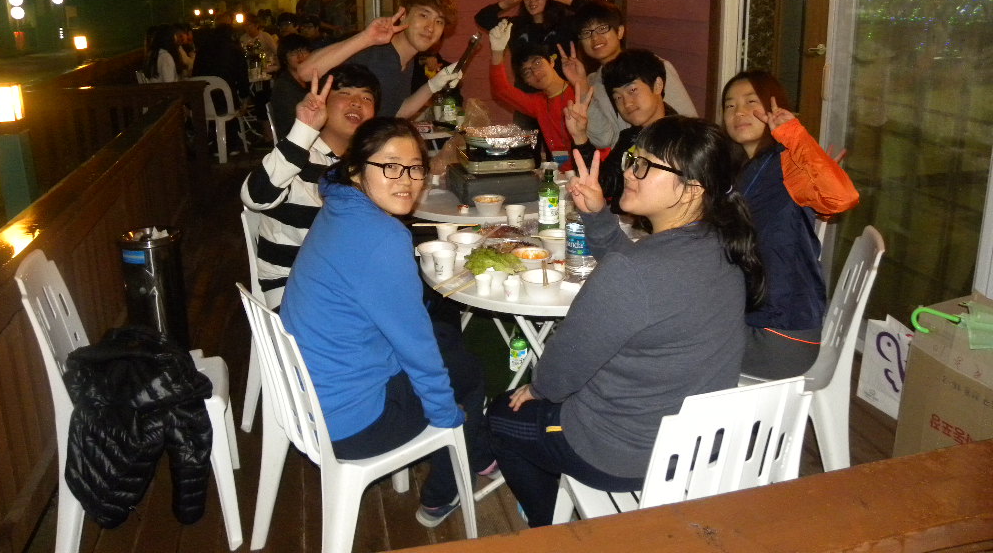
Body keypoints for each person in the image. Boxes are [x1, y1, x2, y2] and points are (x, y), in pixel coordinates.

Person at [487, 116, 764, 528]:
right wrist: (598, 216)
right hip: (698, 443)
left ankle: (549, 530)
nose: (629, 171)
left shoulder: (635, 271)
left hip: (625, 455)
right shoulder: (722, 243)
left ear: (692, 188)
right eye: (634, 159)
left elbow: (566, 364)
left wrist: (538, 388)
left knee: (501, 417)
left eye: (646, 165)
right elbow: (642, 278)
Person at [281, 118, 479, 528]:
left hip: (312, 399)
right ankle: (443, 493)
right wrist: (447, 416)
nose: (406, 179)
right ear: (357, 169)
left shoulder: (338, 208)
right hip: (356, 423)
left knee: (445, 336)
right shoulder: (382, 237)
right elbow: (416, 350)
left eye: (415, 167)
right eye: (390, 166)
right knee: (468, 373)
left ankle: (479, 449)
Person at [721, 70, 859, 379]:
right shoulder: (744, 168)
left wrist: (795, 136)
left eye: (751, 102)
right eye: (729, 105)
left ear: (774, 108)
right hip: (754, 320)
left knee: (666, 340)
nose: (738, 112)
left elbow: (842, 198)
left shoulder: (786, 161)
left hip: (778, 336)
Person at [242, 64, 379, 305]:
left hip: (344, 282)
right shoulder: (297, 156)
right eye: (345, 93)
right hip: (296, 291)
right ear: (322, 103)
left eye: (366, 97)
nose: (357, 103)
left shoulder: (362, 164)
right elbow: (255, 197)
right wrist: (303, 128)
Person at [296, 0, 463, 118]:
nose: (430, 27)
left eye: (439, 21)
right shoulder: (372, 49)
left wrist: (434, 84)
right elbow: (305, 72)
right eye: (424, 15)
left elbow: (396, 112)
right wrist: (366, 38)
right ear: (403, 14)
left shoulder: (407, 62)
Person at [560, 0, 698, 149]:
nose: (595, 38)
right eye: (586, 33)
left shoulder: (651, 67)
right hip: (627, 159)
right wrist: (581, 84)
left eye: (602, 28)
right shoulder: (593, 82)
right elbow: (604, 140)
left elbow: (689, 122)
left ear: (620, 31)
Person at [564, 49, 675, 214]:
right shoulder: (631, 137)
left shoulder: (680, 139)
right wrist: (579, 136)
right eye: (617, 97)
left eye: (632, 90)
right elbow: (605, 185)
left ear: (657, 85)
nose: (626, 103)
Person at [474, 0, 580, 109]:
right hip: (526, 99)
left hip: (562, 98)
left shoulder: (565, 25)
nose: (532, 0)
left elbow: (595, 13)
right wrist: (508, 2)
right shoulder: (515, 26)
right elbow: (482, 18)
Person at [487, 19, 574, 163]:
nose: (535, 72)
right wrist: (497, 52)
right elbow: (501, 90)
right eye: (527, 72)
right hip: (561, 171)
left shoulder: (578, 90)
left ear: (551, 61)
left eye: (537, 63)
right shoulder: (538, 104)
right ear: (526, 82)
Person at [270, 34, 317, 138]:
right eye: (293, 53)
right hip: (295, 137)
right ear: (284, 58)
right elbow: (289, 124)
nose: (300, 56)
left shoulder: (311, 79)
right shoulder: (283, 86)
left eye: (303, 50)